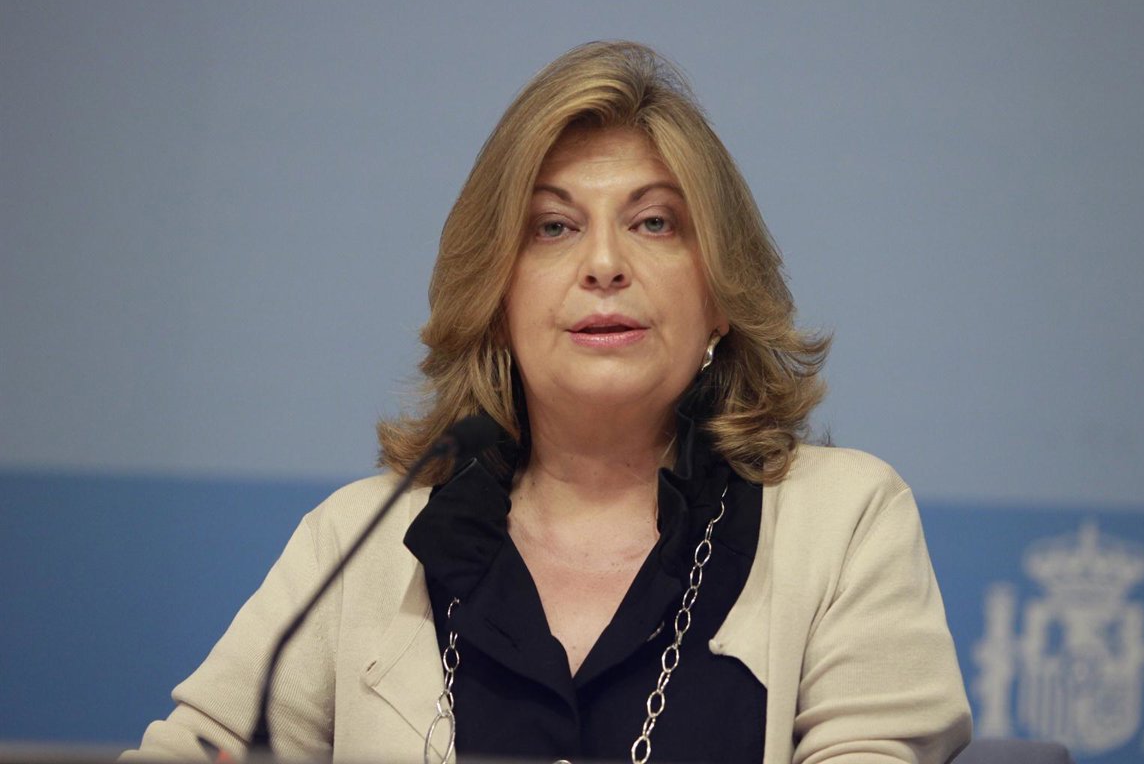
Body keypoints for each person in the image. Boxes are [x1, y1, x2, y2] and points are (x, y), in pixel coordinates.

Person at [125, 41, 971, 764]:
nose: (603, 265)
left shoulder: (843, 524)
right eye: (554, 227)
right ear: (497, 294)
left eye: (654, 223)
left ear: (720, 294)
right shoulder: (359, 544)